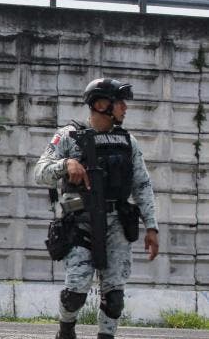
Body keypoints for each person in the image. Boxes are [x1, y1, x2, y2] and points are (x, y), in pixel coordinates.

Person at [34, 78, 160, 339]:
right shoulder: (68, 136)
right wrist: (66, 164)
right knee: (75, 294)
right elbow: (40, 173)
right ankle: (66, 330)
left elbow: (142, 185)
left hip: (116, 223)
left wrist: (152, 227)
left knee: (114, 296)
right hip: (80, 221)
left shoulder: (128, 142)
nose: (125, 108)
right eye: (119, 103)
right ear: (102, 105)